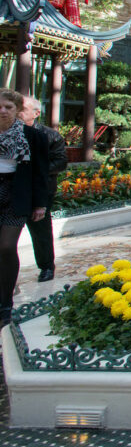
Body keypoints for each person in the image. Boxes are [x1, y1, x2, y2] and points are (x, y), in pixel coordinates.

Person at [0, 89, 49, 326]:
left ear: (18, 110)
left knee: (7, 247)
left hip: (16, 194)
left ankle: (5, 303)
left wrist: (40, 203)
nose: (2, 111)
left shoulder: (32, 136)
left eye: (8, 107)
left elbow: (41, 173)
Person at [18, 96, 66, 283]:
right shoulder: (8, 132)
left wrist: (34, 170)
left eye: (22, 108)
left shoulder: (49, 135)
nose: (18, 112)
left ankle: (46, 266)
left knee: (40, 231)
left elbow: (60, 162)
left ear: (36, 113)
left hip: (41, 190)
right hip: (14, 190)